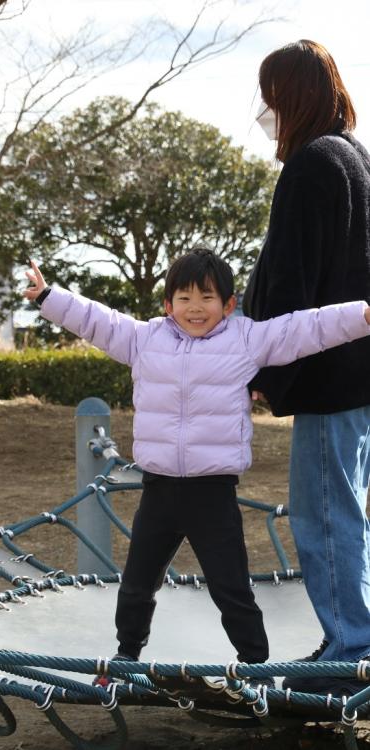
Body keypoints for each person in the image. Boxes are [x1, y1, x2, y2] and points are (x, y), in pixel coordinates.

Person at [24, 248, 370, 691]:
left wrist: (361, 314)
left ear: (228, 305)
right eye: (183, 298)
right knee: (136, 584)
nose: (195, 308)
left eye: (207, 298)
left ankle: (255, 667)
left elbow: (307, 327)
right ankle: (125, 656)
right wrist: (48, 296)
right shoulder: (143, 339)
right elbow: (97, 320)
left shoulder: (246, 339)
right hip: (160, 492)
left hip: (214, 495)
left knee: (232, 589)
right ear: (167, 305)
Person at [243, 39, 370, 696]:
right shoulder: (356, 158)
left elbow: (293, 283)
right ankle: (351, 639)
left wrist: (265, 372)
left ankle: (352, 653)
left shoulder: (311, 165)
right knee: (347, 509)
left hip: (329, 377)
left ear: (290, 96)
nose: (265, 110)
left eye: (271, 95)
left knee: (324, 513)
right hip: (359, 376)